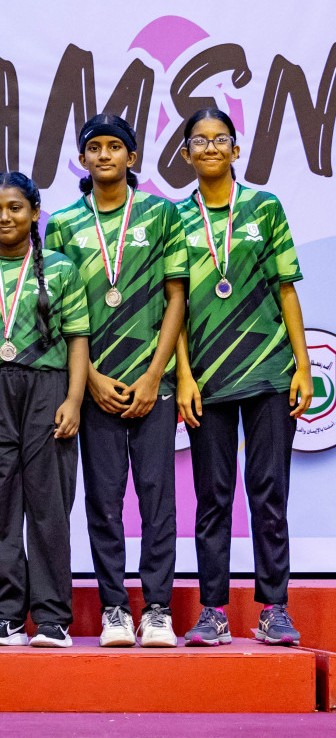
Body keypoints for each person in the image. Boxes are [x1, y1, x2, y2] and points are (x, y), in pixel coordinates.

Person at [43, 115, 186, 648]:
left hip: (156, 385)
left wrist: (154, 375)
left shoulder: (161, 214)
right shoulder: (61, 224)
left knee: (157, 501)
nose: (104, 156)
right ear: (82, 160)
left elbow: (177, 297)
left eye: (115, 147)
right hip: (94, 387)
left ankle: (157, 610)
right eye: (94, 148)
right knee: (103, 503)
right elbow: (54, 313)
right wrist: (91, 380)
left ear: (132, 157)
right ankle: (113, 610)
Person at [174, 106, 311, 647]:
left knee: (269, 493)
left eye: (220, 139)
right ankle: (212, 611)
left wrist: (302, 365)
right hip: (206, 379)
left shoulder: (265, 207)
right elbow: (174, 304)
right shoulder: (174, 220)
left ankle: (274, 609)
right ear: (185, 154)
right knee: (213, 497)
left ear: (236, 149)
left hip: (270, 374)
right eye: (199, 140)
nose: (210, 147)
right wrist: (183, 376)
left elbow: (286, 290)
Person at [0, 173, 88, 648]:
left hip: (47, 389)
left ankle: (52, 618)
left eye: (15, 208)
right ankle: (4, 614)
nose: (4, 217)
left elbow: (77, 342)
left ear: (34, 212)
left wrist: (73, 398)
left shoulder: (62, 269)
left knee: (49, 506)